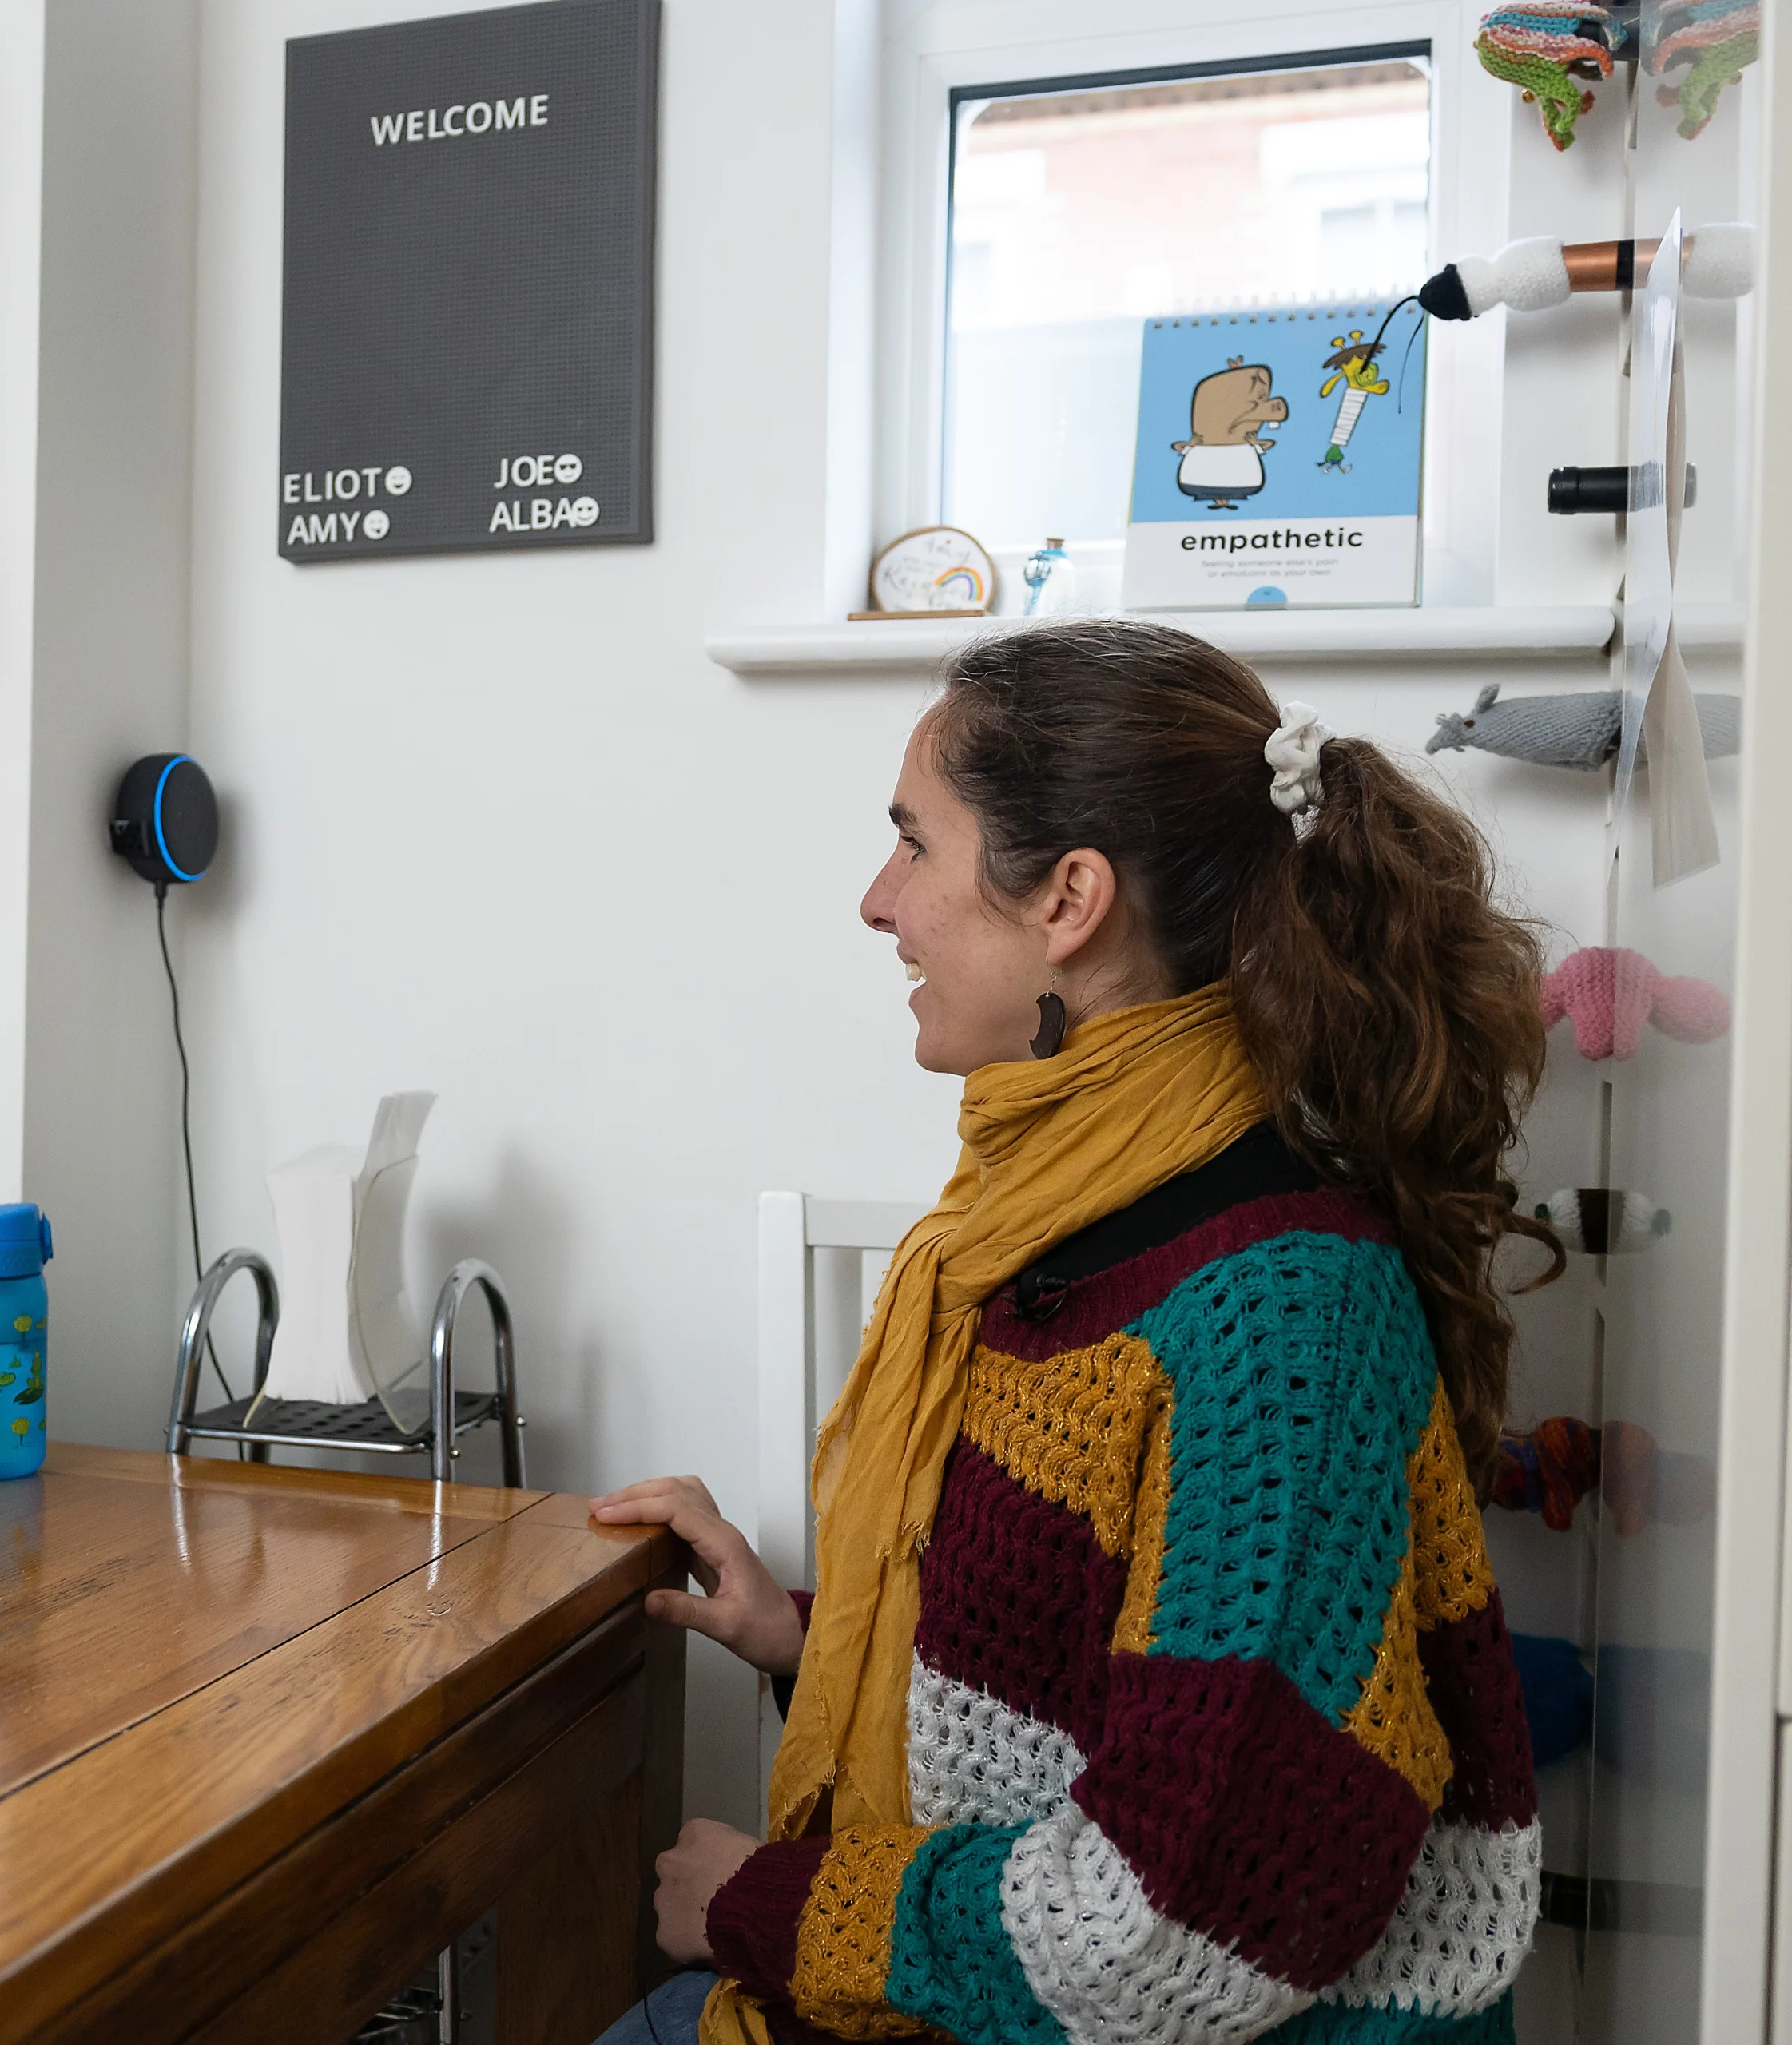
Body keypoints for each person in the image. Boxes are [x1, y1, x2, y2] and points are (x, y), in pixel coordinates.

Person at [590, 618, 1552, 2045]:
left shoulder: (1277, 1315)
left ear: (1070, 900)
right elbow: (1101, 1680)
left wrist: (772, 1904)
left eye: (914, 844)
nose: (878, 901)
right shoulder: (1059, 1215)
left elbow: (1172, 1926)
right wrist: (809, 1636)